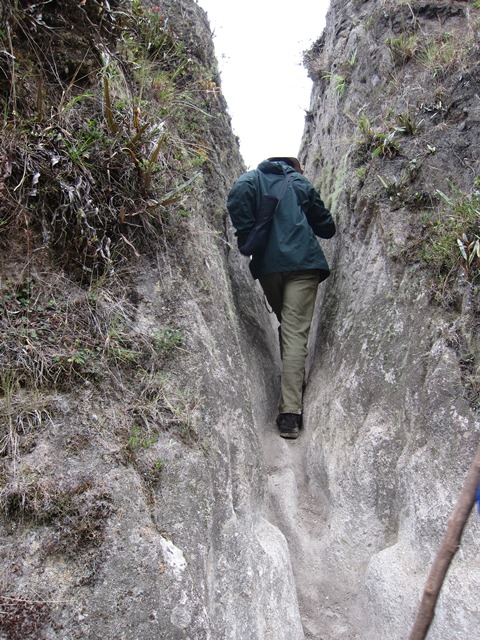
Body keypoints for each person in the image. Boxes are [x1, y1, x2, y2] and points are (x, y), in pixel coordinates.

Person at [227, 156, 336, 439]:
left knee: (287, 326)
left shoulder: (249, 181)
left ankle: (291, 378)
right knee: (295, 331)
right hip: (303, 264)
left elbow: (237, 204)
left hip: (269, 268)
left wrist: (249, 234)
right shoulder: (299, 182)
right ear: (293, 167)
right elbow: (327, 227)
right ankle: (289, 413)